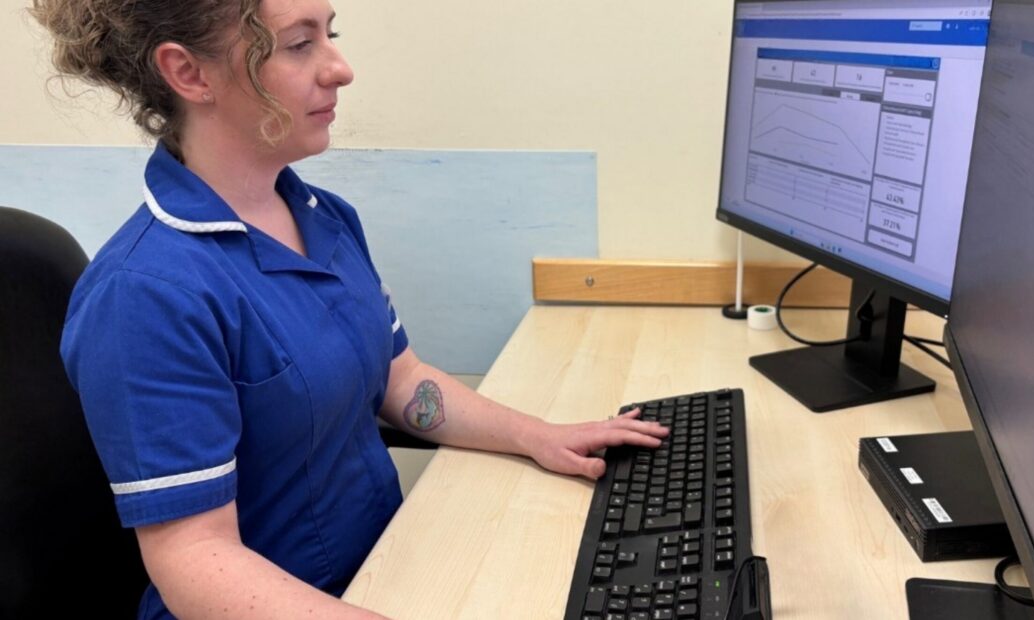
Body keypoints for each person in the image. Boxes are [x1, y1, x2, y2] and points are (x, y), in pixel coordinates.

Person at [31, 0, 670, 618]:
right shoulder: (144, 294)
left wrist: (541, 437)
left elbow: (401, 380)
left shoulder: (326, 220)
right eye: (300, 43)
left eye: (330, 35)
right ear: (189, 73)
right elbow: (195, 561)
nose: (340, 68)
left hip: (387, 567)